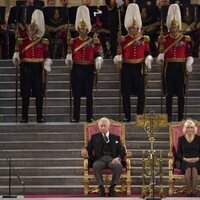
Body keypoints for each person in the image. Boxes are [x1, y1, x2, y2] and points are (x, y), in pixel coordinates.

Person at [114, 3, 153, 122]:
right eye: (131, 28)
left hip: (139, 67)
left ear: (138, 28)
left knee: (141, 93)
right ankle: (127, 116)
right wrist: (117, 59)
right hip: (126, 67)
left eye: (135, 28)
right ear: (128, 28)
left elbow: (148, 52)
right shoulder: (123, 39)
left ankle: (139, 115)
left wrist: (148, 58)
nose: (133, 29)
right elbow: (118, 53)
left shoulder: (143, 39)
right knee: (125, 93)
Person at [12, 9, 52, 123]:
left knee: (39, 94)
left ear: (36, 30)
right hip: (26, 69)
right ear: (27, 31)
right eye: (29, 30)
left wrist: (47, 63)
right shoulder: (22, 42)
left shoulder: (42, 42)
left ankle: (40, 117)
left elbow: (46, 55)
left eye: (33, 30)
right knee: (25, 94)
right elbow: (18, 56)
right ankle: (24, 117)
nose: (31, 32)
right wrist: (16, 57)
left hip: (38, 69)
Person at [65, 5, 103, 123]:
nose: (82, 30)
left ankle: (89, 116)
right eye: (81, 29)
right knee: (76, 94)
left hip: (88, 69)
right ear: (78, 29)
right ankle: (76, 116)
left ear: (87, 29)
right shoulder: (74, 41)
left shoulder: (93, 41)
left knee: (89, 94)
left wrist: (98, 61)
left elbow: (97, 54)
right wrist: (69, 59)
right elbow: (70, 53)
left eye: (84, 29)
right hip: (77, 68)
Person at [156, 4, 194, 122]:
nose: (174, 29)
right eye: (172, 28)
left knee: (181, 94)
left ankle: (180, 117)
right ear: (170, 28)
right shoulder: (164, 39)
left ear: (178, 27)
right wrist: (160, 57)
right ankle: (168, 117)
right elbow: (159, 54)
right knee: (169, 93)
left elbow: (189, 53)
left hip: (181, 68)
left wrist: (189, 62)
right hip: (169, 67)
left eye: (176, 27)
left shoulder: (184, 39)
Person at [81, 117, 123, 197]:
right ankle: (101, 188)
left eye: (104, 126)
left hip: (112, 159)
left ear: (108, 126)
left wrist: (118, 158)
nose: (102, 128)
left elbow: (121, 151)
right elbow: (88, 148)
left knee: (118, 165)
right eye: (101, 126)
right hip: (100, 160)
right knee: (95, 165)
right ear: (98, 126)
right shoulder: (94, 137)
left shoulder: (115, 137)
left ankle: (112, 188)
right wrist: (85, 150)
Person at [177, 119, 200, 197]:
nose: (190, 129)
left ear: (194, 128)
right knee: (188, 168)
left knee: (194, 168)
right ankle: (189, 189)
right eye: (188, 127)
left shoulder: (198, 138)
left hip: (197, 160)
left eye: (191, 127)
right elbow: (178, 153)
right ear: (185, 129)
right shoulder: (181, 139)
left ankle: (193, 190)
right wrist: (185, 159)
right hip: (185, 160)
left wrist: (198, 158)